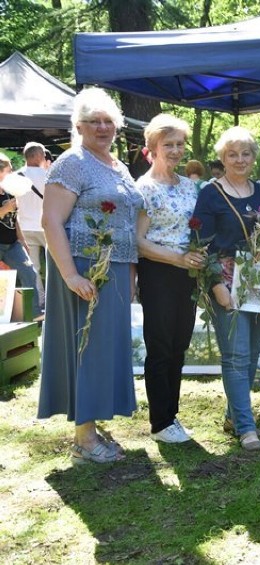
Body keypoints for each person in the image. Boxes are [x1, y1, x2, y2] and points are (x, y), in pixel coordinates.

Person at [37, 87, 144, 464]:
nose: (102, 127)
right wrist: (69, 276)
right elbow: (51, 221)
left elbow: (128, 223)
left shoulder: (118, 166)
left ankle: (94, 424)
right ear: (78, 126)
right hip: (83, 267)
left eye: (108, 121)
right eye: (93, 121)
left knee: (105, 350)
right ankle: (84, 439)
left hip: (114, 270)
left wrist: (129, 275)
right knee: (87, 350)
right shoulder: (71, 162)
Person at [192, 126, 260, 451]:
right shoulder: (211, 193)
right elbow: (201, 243)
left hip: (258, 279)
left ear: (254, 157)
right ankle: (246, 428)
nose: (239, 159)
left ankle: (233, 415)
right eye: (232, 154)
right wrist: (216, 285)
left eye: (245, 153)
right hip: (226, 279)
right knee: (236, 355)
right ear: (222, 158)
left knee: (253, 352)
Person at [135, 114, 205, 444]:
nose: (175, 151)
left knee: (179, 345)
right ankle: (160, 422)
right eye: (168, 145)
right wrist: (177, 258)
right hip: (159, 273)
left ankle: (171, 416)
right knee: (160, 347)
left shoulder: (190, 186)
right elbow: (138, 242)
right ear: (152, 148)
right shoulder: (144, 189)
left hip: (187, 275)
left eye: (179, 144)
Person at [0, 153, 41, 318]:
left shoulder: (9, 192)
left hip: (12, 244)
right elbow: (6, 212)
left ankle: (34, 314)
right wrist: (4, 210)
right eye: (9, 171)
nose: (12, 175)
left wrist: (22, 240)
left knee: (29, 272)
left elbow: (14, 219)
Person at [16, 141, 48, 310]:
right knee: (54, 266)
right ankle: (53, 300)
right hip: (46, 226)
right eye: (43, 154)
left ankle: (39, 302)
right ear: (36, 156)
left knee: (33, 268)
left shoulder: (15, 177)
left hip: (24, 227)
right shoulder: (48, 176)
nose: (44, 158)